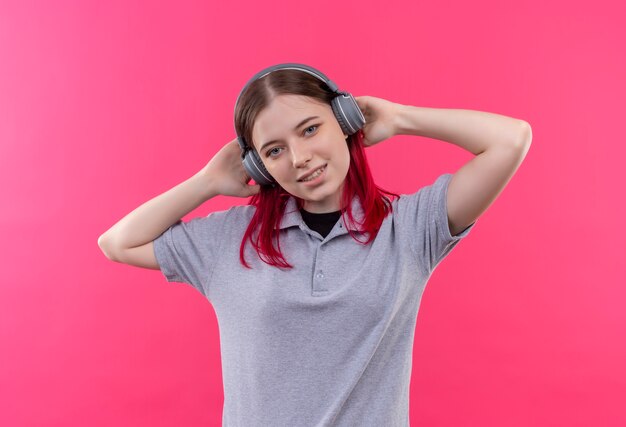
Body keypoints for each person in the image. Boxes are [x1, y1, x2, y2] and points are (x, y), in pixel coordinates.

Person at [98, 63, 532, 426]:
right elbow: (118, 243)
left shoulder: (412, 229)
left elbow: (510, 139)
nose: (299, 156)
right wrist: (208, 182)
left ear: (345, 122)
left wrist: (400, 118)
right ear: (260, 167)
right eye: (274, 151)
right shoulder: (230, 239)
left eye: (310, 129)